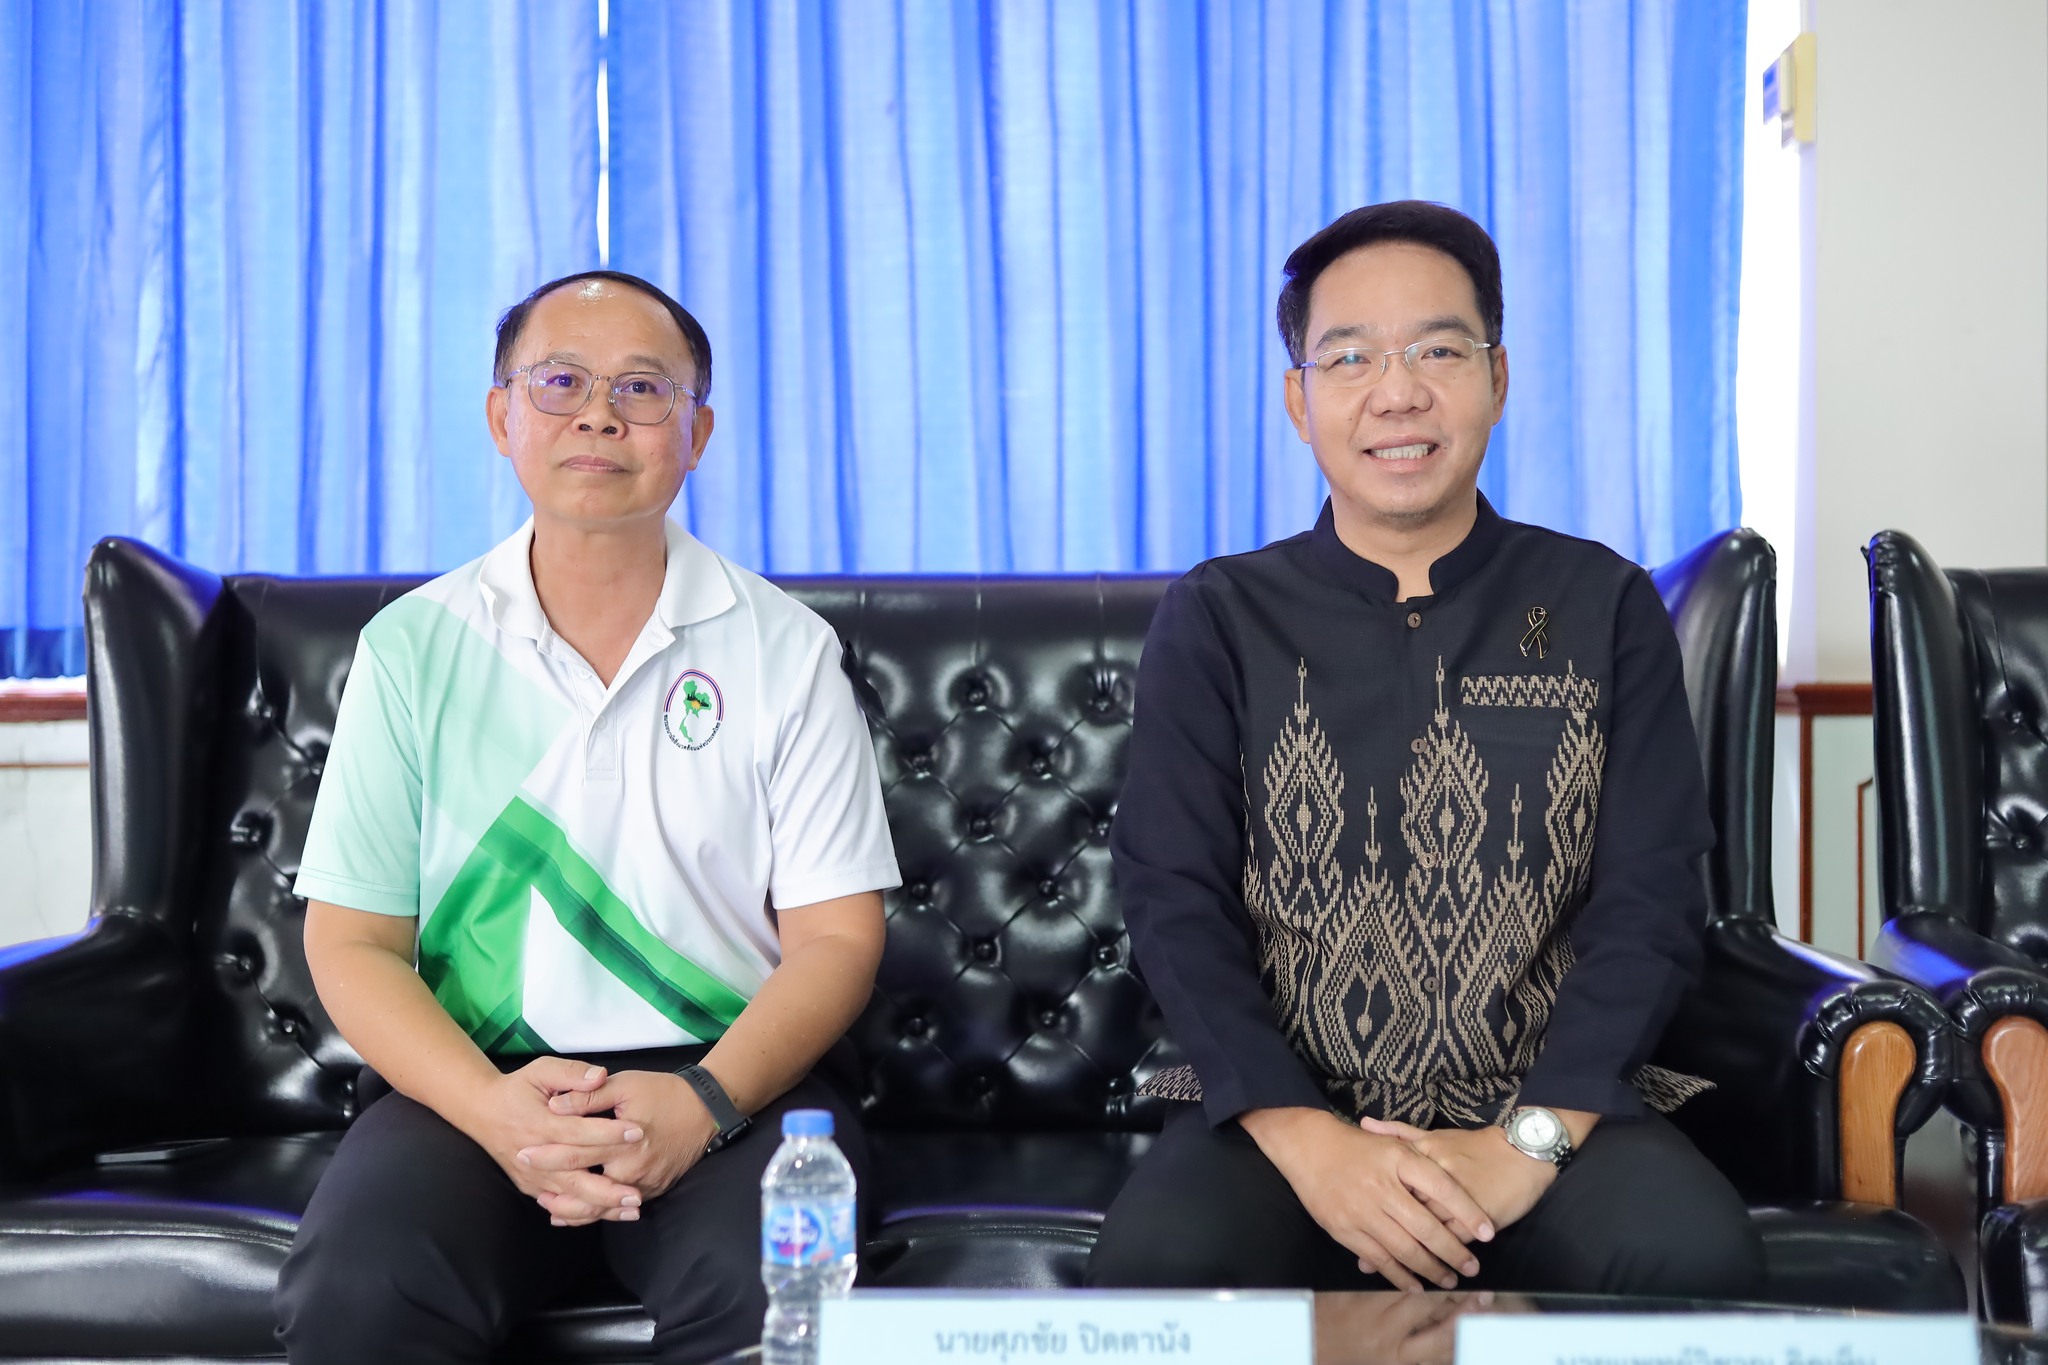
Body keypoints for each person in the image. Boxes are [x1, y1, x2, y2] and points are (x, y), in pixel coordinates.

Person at [1087, 202, 1765, 1298]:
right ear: (1298, 401)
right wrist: (1312, 1143)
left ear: (1497, 377)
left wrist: (1526, 1143)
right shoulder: (1218, 615)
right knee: (1161, 1271)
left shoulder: (1601, 603)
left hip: (1551, 1112)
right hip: (1282, 1115)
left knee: (1690, 1258)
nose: (1396, 393)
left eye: (1438, 352)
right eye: (1349, 357)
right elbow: (1172, 899)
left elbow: (1651, 900)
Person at [274, 271, 900, 1364]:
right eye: (560, 382)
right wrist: (496, 1112)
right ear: (500, 416)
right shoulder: (413, 648)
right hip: (475, 1082)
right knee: (362, 1287)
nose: (599, 415)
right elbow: (352, 941)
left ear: (697, 434)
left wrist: (702, 1101)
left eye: (642, 389)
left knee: (779, 1297)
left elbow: (838, 939)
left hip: (733, 1084)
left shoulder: (786, 649)